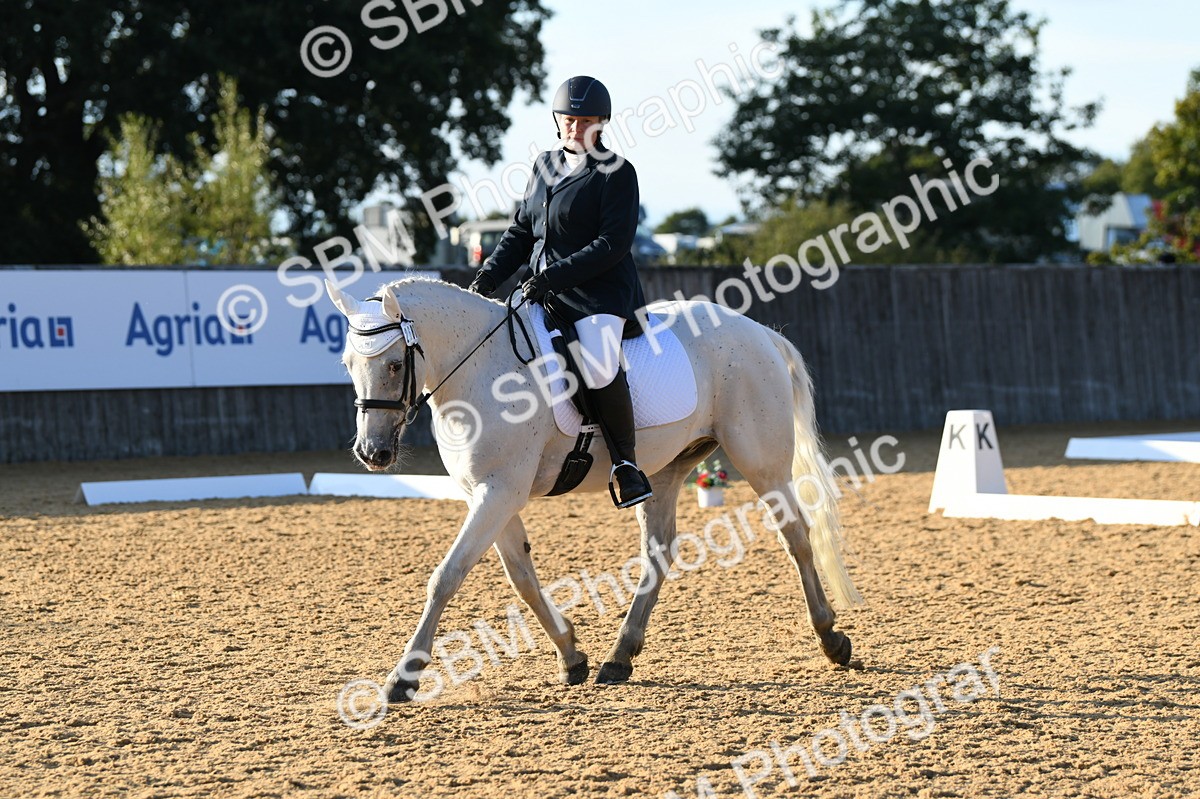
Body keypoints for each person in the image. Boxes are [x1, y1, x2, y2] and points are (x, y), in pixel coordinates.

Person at [467, 75, 654, 509]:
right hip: (543, 292)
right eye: (569, 119)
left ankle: (626, 464)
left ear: (601, 123)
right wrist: (487, 279)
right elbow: (520, 232)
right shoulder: (544, 165)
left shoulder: (617, 172)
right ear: (557, 121)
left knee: (600, 365)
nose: (576, 127)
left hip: (597, 295)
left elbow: (611, 244)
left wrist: (553, 277)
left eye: (585, 121)